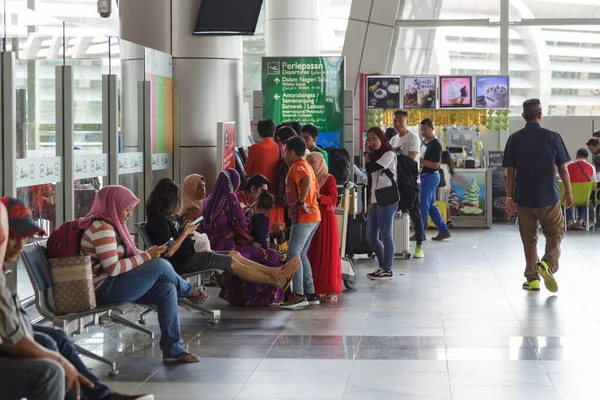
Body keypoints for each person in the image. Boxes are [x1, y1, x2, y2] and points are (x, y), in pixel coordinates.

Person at [0, 197, 154, 400]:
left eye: (24, 237)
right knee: (51, 367)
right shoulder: (102, 228)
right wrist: (58, 360)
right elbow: (13, 339)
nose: (20, 245)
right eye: (13, 237)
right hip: (92, 290)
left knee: (58, 338)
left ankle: (103, 396)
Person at [78, 186, 201, 364]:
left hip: (116, 282)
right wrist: (147, 256)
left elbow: (131, 255)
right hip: (102, 287)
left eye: (130, 210)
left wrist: (148, 254)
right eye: (126, 209)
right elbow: (112, 268)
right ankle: (188, 290)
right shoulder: (101, 228)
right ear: (113, 206)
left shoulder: (114, 226)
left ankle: (173, 349)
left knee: (166, 289)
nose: (128, 215)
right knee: (159, 265)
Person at [145, 178, 297, 288]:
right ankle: (274, 280)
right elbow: (170, 251)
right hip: (185, 261)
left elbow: (171, 241)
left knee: (234, 254)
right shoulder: (157, 222)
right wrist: (186, 233)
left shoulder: (163, 218)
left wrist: (183, 229)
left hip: (190, 255)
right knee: (231, 262)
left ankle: (275, 272)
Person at [503, 98, 572, 293]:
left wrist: (509, 198)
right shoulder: (553, 137)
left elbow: (510, 171)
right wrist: (568, 191)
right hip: (548, 197)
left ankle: (532, 279)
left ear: (524, 116)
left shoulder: (514, 138)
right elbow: (563, 169)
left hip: (523, 198)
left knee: (528, 237)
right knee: (555, 233)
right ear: (540, 115)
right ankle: (548, 264)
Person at [201, 169, 287, 306]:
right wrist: (253, 219)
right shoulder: (230, 198)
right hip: (230, 248)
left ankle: (245, 294)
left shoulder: (209, 200)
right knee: (271, 255)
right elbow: (244, 226)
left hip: (212, 247)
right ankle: (264, 297)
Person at [279, 136, 322, 308]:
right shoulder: (306, 166)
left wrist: (302, 201)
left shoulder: (298, 166)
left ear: (291, 152)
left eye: (285, 152)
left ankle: (298, 294)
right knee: (301, 254)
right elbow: (315, 187)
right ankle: (310, 293)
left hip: (305, 216)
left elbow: (305, 181)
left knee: (293, 254)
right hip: (312, 216)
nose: (284, 156)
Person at [306, 152, 342, 302]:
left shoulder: (329, 179)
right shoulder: (308, 179)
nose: (309, 165)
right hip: (312, 217)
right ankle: (316, 288)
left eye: (312, 162)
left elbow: (334, 199)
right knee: (313, 252)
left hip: (326, 219)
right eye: (308, 162)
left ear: (320, 163)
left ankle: (330, 289)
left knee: (327, 253)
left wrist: (320, 197)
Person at [364, 127, 399, 280]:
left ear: (381, 137)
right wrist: (370, 201)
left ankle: (388, 268)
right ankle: (382, 265)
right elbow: (372, 181)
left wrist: (366, 154)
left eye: (374, 138)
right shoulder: (374, 155)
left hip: (388, 199)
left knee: (386, 234)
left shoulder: (389, 153)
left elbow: (371, 168)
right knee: (371, 236)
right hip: (376, 200)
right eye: (369, 139)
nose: (371, 142)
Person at [390, 110, 425, 258]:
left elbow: (410, 160)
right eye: (395, 121)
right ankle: (396, 244)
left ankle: (419, 245)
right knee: (392, 212)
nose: (397, 124)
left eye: (400, 121)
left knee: (414, 213)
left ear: (406, 122)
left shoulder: (413, 138)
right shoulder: (393, 140)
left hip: (410, 182)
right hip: (395, 181)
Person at [245, 119, 285, 224]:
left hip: (259, 196)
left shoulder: (254, 148)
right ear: (273, 132)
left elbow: (248, 171)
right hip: (276, 195)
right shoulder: (281, 148)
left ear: (258, 133)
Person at [419, 119, 452, 242]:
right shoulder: (425, 143)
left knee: (424, 205)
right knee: (431, 205)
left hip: (430, 176)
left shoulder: (436, 145)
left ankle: (420, 233)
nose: (423, 132)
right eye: (421, 129)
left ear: (432, 129)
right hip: (425, 176)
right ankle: (443, 230)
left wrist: (419, 160)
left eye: (425, 129)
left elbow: (435, 165)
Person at [565, 148, 597, 230]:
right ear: (586, 158)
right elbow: (594, 185)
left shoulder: (569, 165)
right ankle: (580, 220)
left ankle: (569, 220)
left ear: (576, 156)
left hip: (571, 197)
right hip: (583, 198)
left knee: (563, 201)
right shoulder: (591, 167)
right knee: (584, 197)